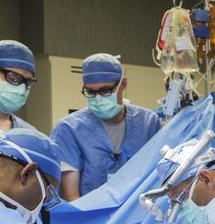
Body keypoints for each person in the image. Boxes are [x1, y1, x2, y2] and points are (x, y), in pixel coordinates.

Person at [51, 53, 161, 200]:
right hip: (91, 217)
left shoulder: (148, 123)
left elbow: (159, 177)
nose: (98, 98)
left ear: (123, 84)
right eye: (90, 91)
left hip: (139, 214)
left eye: (105, 91)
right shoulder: (69, 129)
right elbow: (70, 195)